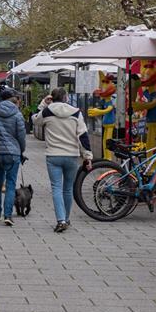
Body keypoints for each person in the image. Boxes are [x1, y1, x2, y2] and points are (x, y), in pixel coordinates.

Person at [32, 87, 93, 233]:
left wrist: (43, 105)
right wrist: (88, 156)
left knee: (56, 188)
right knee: (67, 189)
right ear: (66, 98)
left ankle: (61, 220)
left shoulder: (47, 111)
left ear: (52, 98)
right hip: (71, 155)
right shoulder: (76, 112)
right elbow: (83, 136)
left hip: (53, 156)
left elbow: (35, 120)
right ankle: (66, 218)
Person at [0, 90, 27, 226]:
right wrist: (22, 149)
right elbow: (21, 135)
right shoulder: (17, 114)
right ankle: (8, 215)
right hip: (13, 153)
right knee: (10, 185)